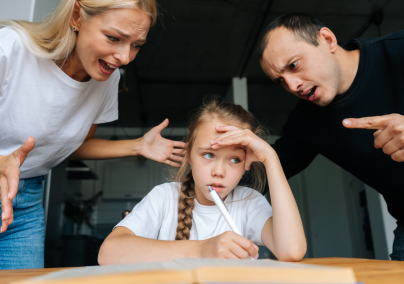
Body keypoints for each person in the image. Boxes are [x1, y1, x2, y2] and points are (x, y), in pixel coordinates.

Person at [0, 0, 186, 270]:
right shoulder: (11, 47)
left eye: (136, 45)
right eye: (113, 38)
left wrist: (137, 146)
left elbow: (75, 145)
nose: (125, 57)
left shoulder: (106, 79)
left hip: (26, 200)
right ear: (77, 16)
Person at [257, 13, 404, 260]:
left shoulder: (398, 51)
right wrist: (201, 162)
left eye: (293, 65)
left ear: (327, 39)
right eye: (280, 81)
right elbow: (260, 174)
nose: (292, 86)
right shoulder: (306, 122)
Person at [98, 97, 306, 264]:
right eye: (208, 155)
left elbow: (292, 251)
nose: (219, 171)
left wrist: (271, 159)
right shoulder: (165, 197)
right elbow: (108, 253)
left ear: (246, 163)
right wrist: (202, 249)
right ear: (189, 155)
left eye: (235, 159)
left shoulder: (248, 202)